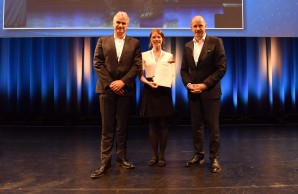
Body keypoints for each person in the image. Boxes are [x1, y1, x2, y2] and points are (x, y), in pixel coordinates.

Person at [91, 11, 142, 178]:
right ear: (113, 23)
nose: (120, 26)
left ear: (128, 25)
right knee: (107, 128)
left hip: (125, 91)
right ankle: (104, 164)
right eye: (118, 22)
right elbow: (97, 63)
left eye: (124, 23)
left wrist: (122, 82)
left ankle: (121, 158)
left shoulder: (135, 43)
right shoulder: (102, 41)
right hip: (106, 90)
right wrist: (112, 84)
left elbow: (136, 66)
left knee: (122, 128)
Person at [180, 15, 227, 173]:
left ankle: (214, 158)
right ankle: (198, 155)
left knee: (213, 127)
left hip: (211, 93)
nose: (198, 29)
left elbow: (221, 68)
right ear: (191, 28)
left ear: (205, 26)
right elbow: (184, 70)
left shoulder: (216, 42)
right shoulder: (187, 46)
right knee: (196, 127)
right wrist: (188, 85)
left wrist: (204, 85)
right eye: (195, 26)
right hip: (193, 93)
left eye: (200, 25)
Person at [139, 29, 175, 167]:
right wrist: (149, 82)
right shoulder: (144, 55)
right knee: (152, 124)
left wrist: (165, 81)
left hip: (164, 91)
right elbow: (141, 76)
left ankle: (162, 156)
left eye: (158, 37)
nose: (156, 39)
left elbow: (171, 74)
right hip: (150, 90)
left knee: (163, 123)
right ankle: (154, 155)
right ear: (150, 39)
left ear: (162, 39)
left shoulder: (169, 56)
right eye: (154, 37)